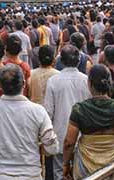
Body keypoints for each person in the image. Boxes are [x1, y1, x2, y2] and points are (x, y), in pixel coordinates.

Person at [0, 63, 60, 180]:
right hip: (30, 174)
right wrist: (39, 149)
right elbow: (52, 147)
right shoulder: (38, 111)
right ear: (24, 84)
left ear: (0, 86)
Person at [62, 65, 114, 179]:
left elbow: (69, 142)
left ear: (89, 84)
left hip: (85, 167)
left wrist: (66, 164)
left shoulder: (80, 109)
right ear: (109, 83)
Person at [43, 46, 90, 180]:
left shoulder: (53, 81)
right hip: (82, 138)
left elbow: (48, 112)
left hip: (60, 137)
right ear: (79, 61)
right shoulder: (86, 81)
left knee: (59, 174)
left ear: (61, 61)